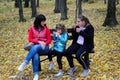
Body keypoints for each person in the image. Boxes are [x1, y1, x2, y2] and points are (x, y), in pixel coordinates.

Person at [18, 14, 52, 80]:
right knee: (35, 55)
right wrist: (39, 42)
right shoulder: (32, 28)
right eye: (43, 21)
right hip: (36, 47)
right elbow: (30, 39)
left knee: (35, 48)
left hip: (45, 48)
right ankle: (36, 74)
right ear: (39, 21)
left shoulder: (46, 28)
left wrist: (44, 43)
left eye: (44, 21)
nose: (44, 23)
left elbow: (49, 40)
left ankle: (25, 63)